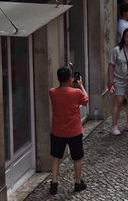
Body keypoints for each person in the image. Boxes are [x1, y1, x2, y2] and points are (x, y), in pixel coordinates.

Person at [48, 67, 89, 195]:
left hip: (57, 131)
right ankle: (77, 183)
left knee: (56, 157)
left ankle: (54, 183)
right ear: (69, 79)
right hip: (74, 132)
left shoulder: (52, 92)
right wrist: (81, 86)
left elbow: (59, 91)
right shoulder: (76, 93)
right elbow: (86, 100)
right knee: (77, 158)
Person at [107, 27, 128, 136]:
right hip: (118, 80)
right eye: (127, 37)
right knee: (119, 101)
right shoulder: (116, 50)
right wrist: (110, 81)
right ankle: (114, 125)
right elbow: (111, 66)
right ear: (123, 38)